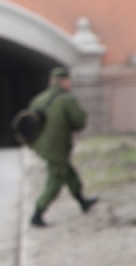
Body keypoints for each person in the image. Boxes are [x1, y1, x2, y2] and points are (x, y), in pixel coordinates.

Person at [29, 66, 97, 227]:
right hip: (57, 148)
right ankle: (37, 214)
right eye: (68, 81)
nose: (69, 84)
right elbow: (79, 122)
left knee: (69, 173)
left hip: (42, 147)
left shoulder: (38, 100)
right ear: (63, 81)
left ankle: (83, 203)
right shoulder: (67, 100)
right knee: (55, 181)